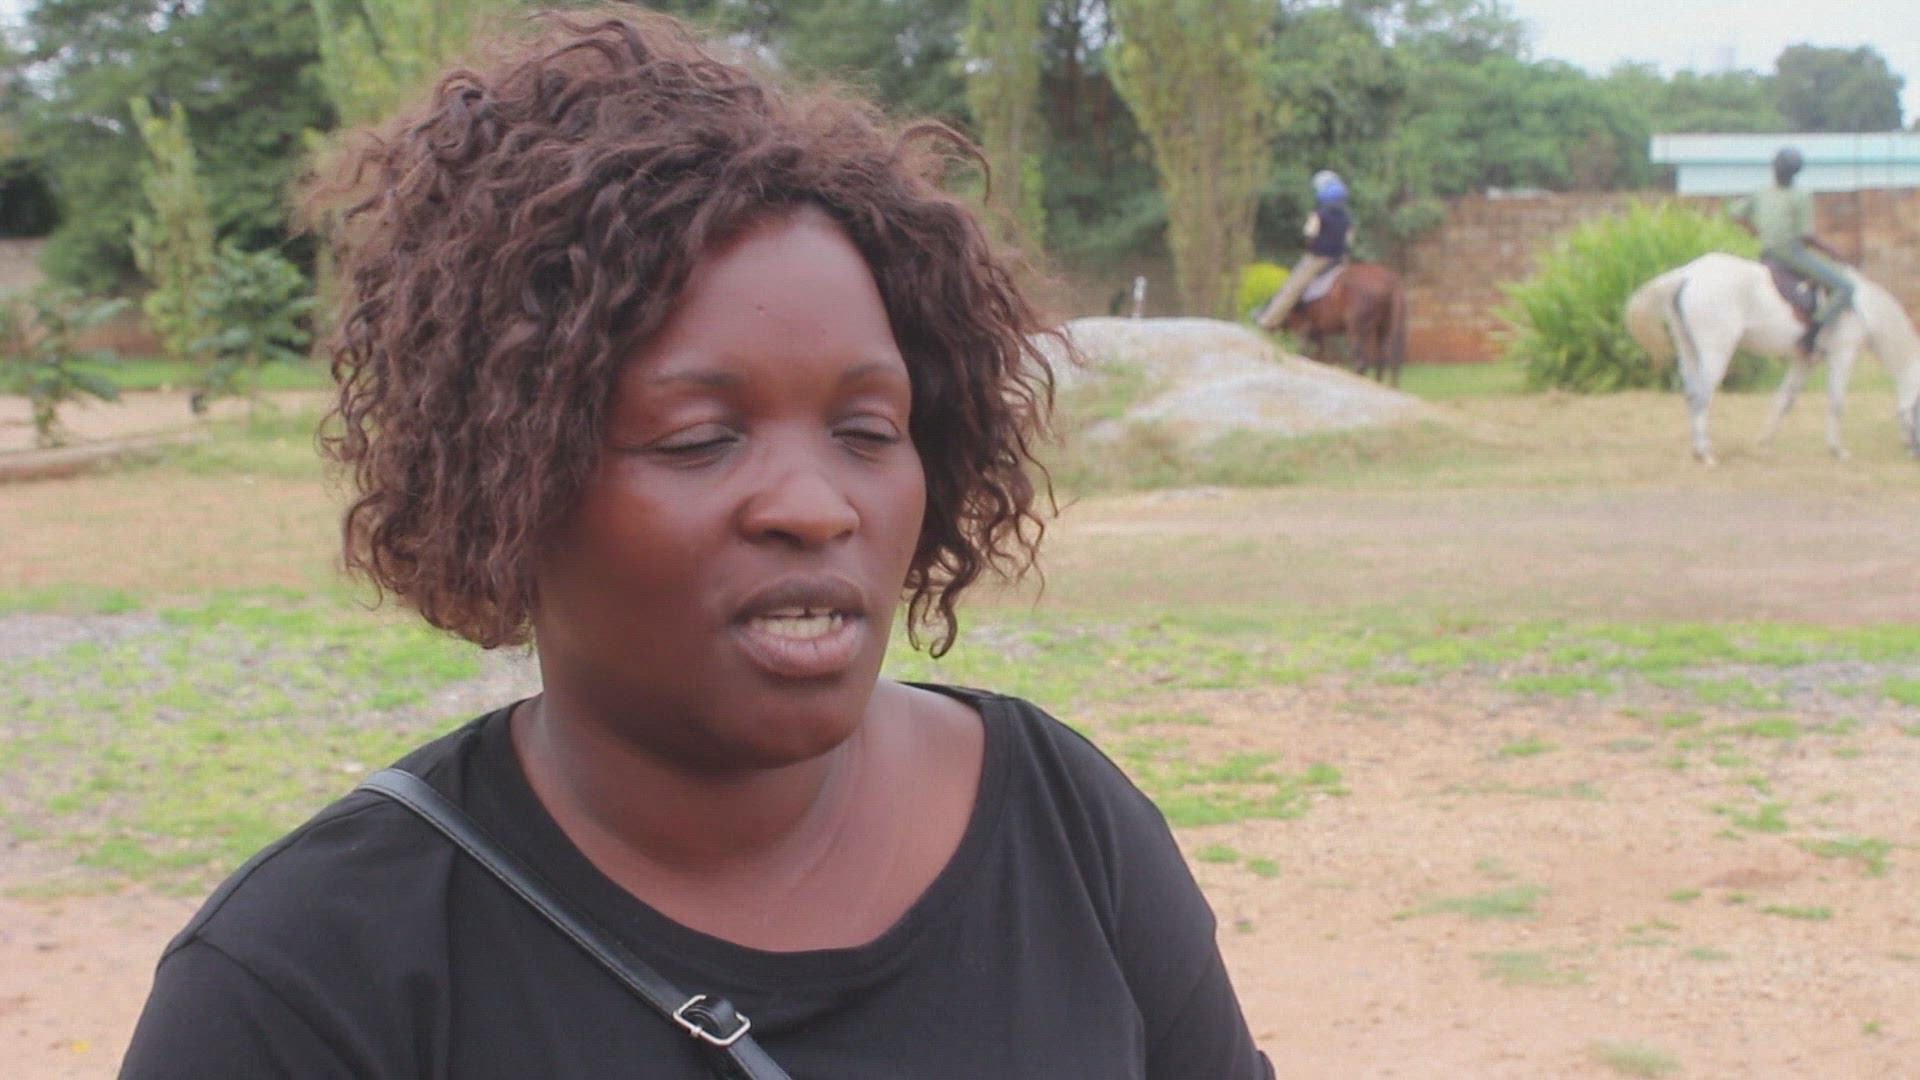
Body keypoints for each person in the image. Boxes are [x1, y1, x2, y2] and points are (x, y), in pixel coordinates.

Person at [119, 9, 1273, 1079]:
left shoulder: (1067, 830)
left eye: (868, 430)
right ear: (507, 479)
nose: (815, 506)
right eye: (699, 439)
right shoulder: (303, 989)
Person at [1729, 146, 1854, 354]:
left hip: (1766, 251)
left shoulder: (1761, 192)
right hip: (1790, 253)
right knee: (1845, 287)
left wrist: (1756, 231)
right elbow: (1807, 236)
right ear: (1795, 172)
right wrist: (1834, 253)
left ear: (1774, 168)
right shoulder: (1800, 195)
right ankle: (1813, 335)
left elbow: (1735, 213)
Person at [1256, 169, 1351, 332]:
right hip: (1340, 258)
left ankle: (1268, 321)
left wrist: (1311, 248)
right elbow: (1348, 240)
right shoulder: (1347, 217)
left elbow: (1310, 235)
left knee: (1292, 288)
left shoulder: (1319, 214)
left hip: (1318, 258)